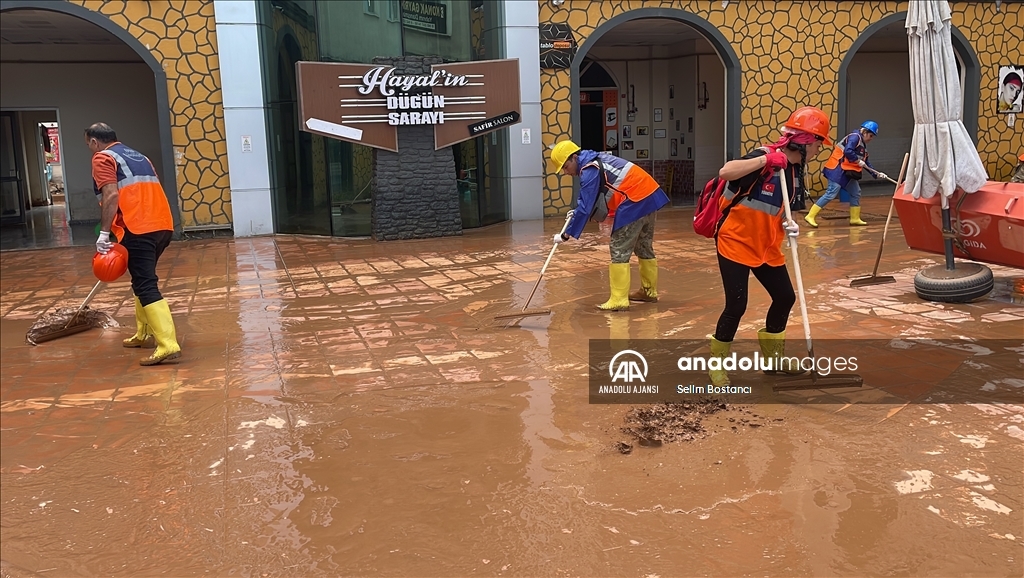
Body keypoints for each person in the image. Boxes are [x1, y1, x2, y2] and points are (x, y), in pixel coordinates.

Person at [707, 106, 832, 386]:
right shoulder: (763, 156)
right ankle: (717, 365)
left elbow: (790, 210)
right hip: (736, 240)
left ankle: (774, 358)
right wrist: (766, 160)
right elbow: (727, 171)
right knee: (737, 304)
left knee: (785, 297)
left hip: (767, 246)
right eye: (818, 145)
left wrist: (793, 226)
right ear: (807, 142)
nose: (818, 151)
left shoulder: (797, 171)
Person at [86, 122, 180, 365]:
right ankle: (144, 332)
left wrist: (104, 233)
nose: (90, 149)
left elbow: (112, 194)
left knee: (145, 283)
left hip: (138, 229)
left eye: (88, 144)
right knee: (141, 278)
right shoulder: (139, 157)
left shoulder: (102, 158)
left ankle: (168, 344)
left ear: (95, 142)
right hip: (162, 226)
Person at [548, 140, 670, 311]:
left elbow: (586, 206)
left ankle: (619, 300)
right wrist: (576, 213)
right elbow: (589, 202)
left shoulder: (590, 168)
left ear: (574, 157)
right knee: (643, 246)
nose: (565, 172)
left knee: (619, 247)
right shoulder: (598, 159)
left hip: (635, 201)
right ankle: (648, 292)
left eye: (565, 167)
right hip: (649, 196)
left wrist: (566, 234)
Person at [806, 120, 888, 228]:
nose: (871, 139)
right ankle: (810, 216)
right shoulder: (855, 137)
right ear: (864, 132)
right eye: (871, 135)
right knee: (831, 193)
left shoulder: (863, 147)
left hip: (848, 173)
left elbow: (866, 163)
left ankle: (855, 218)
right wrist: (857, 160)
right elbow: (848, 151)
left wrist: (876, 174)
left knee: (855, 192)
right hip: (837, 169)